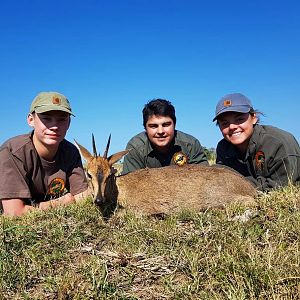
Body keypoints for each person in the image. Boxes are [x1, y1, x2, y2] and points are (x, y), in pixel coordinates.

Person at [0, 91, 89, 216]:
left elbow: (82, 198)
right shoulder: (13, 152)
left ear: (69, 123)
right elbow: (14, 213)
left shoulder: (71, 152)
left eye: (62, 119)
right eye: (46, 118)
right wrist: (61, 202)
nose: (54, 126)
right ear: (31, 120)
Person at [213, 92, 300, 191]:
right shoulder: (223, 147)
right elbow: (221, 179)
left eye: (239, 119)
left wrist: (237, 187)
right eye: (225, 123)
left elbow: (281, 186)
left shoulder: (277, 143)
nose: (232, 127)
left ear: (254, 118)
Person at [122, 98, 208, 174]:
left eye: (166, 125)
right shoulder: (134, 148)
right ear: (145, 128)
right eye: (153, 126)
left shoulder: (191, 145)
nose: (160, 131)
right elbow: (132, 185)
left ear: (174, 124)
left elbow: (204, 178)